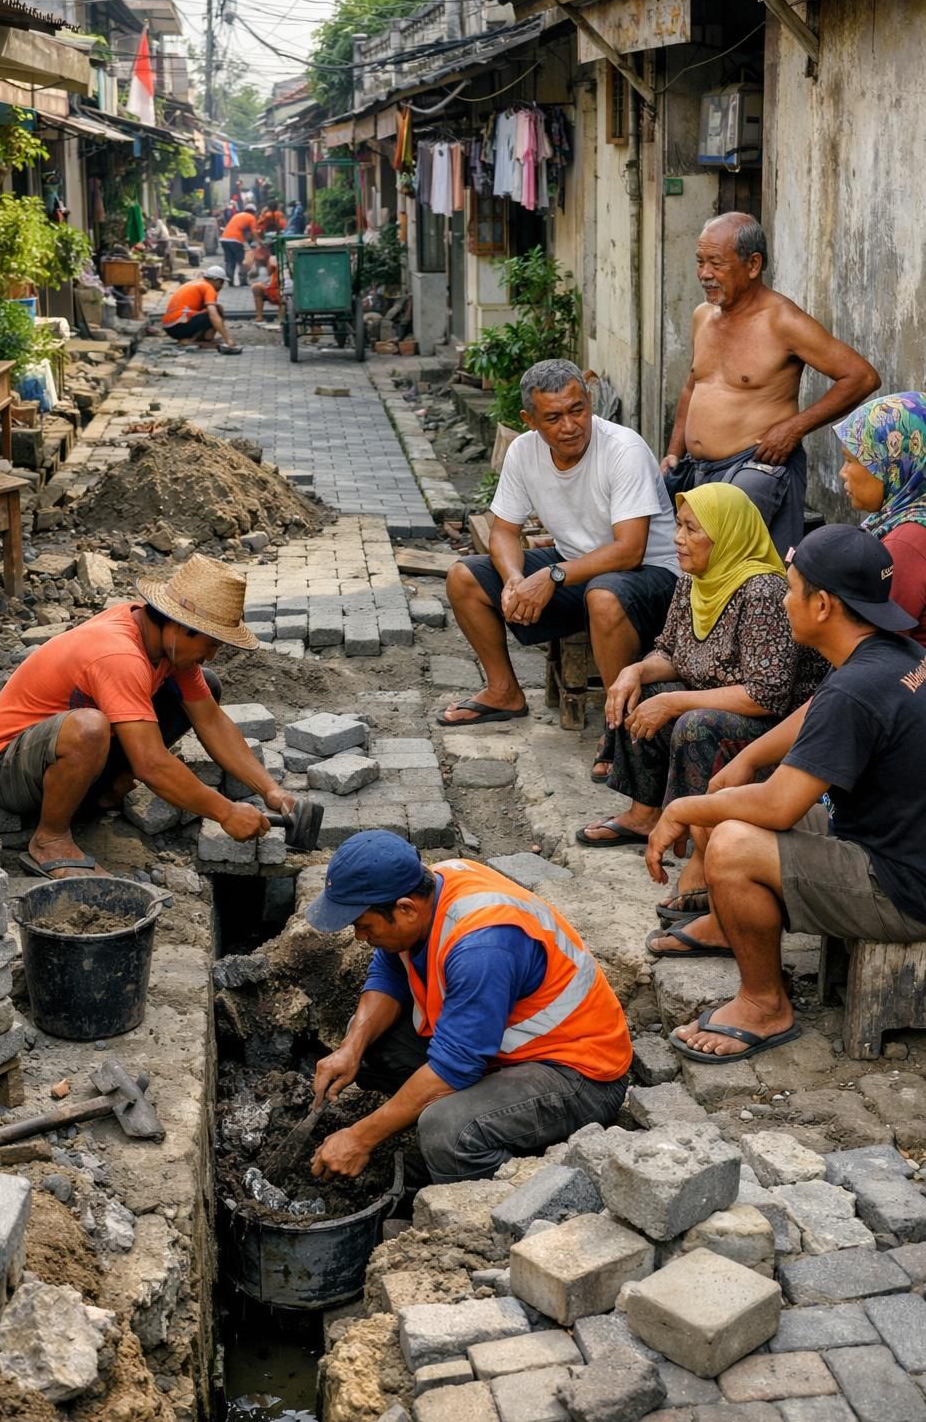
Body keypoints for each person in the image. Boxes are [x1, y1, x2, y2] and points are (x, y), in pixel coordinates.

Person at [643, 524, 926, 1063]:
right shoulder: (892, 651)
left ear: (822, 605)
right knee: (727, 794)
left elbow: (779, 807)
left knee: (731, 843)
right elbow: (817, 708)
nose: (784, 600)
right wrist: (746, 759)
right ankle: (733, 926)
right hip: (889, 837)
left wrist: (682, 806)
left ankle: (764, 1004)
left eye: (791, 589)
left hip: (904, 886)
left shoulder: (857, 687)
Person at [304, 832, 631, 1184]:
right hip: (500, 1053)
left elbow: (456, 1065)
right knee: (368, 1043)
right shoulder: (430, 886)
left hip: (579, 1074)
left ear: (406, 909)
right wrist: (351, 1047)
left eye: (364, 926)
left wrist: (360, 1137)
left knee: (446, 1130)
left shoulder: (482, 946)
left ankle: (491, 1190)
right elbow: (390, 970)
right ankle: (467, 1126)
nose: (359, 937)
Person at [0, 556, 294, 880]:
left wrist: (269, 789)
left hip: (55, 761)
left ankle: (101, 793)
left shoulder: (160, 641)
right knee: (90, 728)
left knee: (205, 685)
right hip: (7, 770)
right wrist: (225, 812)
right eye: (210, 645)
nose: (210, 655)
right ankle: (50, 839)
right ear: (181, 627)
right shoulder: (120, 655)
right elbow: (150, 764)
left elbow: (211, 721)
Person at [441, 358, 679, 784]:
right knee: (464, 577)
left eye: (577, 410)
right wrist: (515, 579)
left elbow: (630, 550)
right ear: (529, 420)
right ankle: (504, 692)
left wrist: (550, 577)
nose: (570, 425)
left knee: (603, 595)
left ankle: (618, 730)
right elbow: (503, 532)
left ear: (589, 402)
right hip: (579, 568)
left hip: (655, 577)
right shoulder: (524, 451)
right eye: (553, 417)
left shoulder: (623, 449)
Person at [578, 484, 826, 873]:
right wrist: (635, 671)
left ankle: (700, 848)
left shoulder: (762, 590)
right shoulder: (695, 579)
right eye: (678, 526)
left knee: (695, 723)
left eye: (692, 529)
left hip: (779, 727)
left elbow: (766, 695)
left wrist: (675, 702)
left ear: (727, 533)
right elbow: (670, 652)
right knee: (641, 693)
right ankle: (644, 814)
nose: (679, 538)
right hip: (725, 701)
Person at [662, 213, 880, 556]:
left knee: (739, 566)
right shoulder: (702, 316)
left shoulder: (782, 320)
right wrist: (675, 451)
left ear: (753, 265)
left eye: (716, 263)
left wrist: (794, 428)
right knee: (699, 567)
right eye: (700, 262)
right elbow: (693, 385)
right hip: (698, 470)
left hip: (755, 466)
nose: (704, 274)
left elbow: (861, 376)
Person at [836, 392, 926, 646]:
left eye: (850, 460)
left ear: (892, 464)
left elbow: (880, 649)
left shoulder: (907, 540)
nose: (843, 473)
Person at [161, 266, 238, 351]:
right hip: (178, 327)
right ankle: (190, 341)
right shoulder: (208, 287)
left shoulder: (198, 283)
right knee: (216, 311)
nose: (221, 286)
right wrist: (228, 339)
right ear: (217, 280)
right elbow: (213, 315)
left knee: (215, 309)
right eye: (221, 282)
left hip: (171, 327)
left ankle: (203, 339)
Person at [220, 206, 257, 285]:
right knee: (242, 261)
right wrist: (260, 241)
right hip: (235, 240)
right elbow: (254, 232)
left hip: (224, 238)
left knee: (229, 261)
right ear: (253, 212)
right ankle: (243, 281)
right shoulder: (251, 217)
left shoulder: (237, 215)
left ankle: (230, 281)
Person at [249, 244, 280, 323]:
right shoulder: (269, 259)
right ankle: (259, 316)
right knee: (256, 288)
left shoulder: (274, 258)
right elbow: (252, 275)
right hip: (270, 286)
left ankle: (281, 319)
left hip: (282, 288)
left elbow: (270, 272)